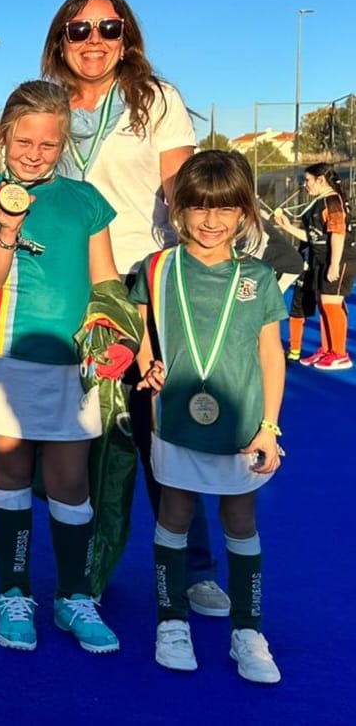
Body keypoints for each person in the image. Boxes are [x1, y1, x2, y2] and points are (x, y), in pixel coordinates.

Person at [42, 0, 227, 615]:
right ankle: (86, 567)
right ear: (61, 36)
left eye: (109, 28)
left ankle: (193, 565)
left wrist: (201, 267)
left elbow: (181, 187)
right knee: (84, 432)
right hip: (72, 286)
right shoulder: (49, 103)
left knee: (156, 428)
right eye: (80, 29)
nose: (95, 41)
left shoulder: (156, 100)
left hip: (141, 285)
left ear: (127, 36)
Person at [0, 80, 127, 654]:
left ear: (64, 146)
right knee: (9, 476)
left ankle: (74, 596)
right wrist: (7, 232)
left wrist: (125, 337)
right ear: (4, 136)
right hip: (5, 358)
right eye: (23, 140)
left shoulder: (84, 200)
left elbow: (106, 281)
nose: (34, 153)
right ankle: (13, 591)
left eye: (48, 145)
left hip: (72, 366)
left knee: (69, 483)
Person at [132, 150, 286, 682]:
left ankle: (247, 629)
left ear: (244, 212)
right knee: (174, 513)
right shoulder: (157, 268)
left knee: (240, 521)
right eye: (198, 207)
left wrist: (269, 426)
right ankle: (171, 619)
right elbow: (141, 330)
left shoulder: (258, 278)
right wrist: (144, 360)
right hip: (173, 419)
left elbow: (271, 354)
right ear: (179, 210)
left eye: (225, 209)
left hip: (241, 427)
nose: (211, 221)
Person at [274, 162, 355, 370]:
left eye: (308, 180)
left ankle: (339, 354)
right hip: (322, 258)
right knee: (323, 303)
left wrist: (334, 264)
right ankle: (328, 350)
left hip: (340, 257)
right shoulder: (319, 203)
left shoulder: (332, 201)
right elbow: (312, 238)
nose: (305, 185)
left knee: (331, 303)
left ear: (321, 180)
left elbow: (338, 232)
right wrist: (288, 227)